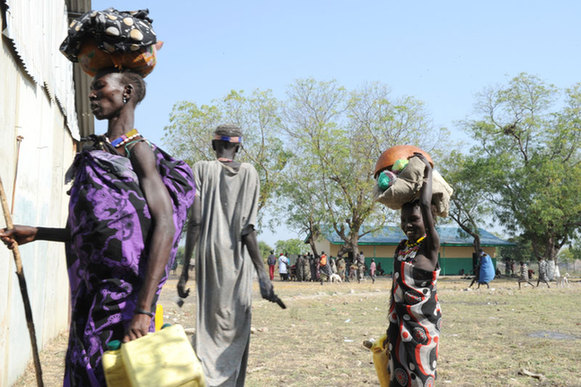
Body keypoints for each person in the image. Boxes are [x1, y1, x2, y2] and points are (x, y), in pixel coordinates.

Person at [1, 68, 195, 386]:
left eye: (100, 87)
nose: (92, 94)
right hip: (93, 302)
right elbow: (103, 235)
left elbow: (165, 225)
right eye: (91, 88)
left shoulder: (137, 151)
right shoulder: (99, 153)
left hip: (126, 306)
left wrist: (143, 311)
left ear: (127, 93)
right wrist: (37, 233)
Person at [177, 124, 279, 386]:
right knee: (235, 327)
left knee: (208, 327)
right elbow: (247, 229)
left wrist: (186, 268)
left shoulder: (200, 168)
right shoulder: (249, 173)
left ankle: (205, 379)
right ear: (238, 147)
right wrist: (261, 274)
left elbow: (196, 220)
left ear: (214, 146)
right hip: (238, 259)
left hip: (208, 257)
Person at [387, 153, 441, 387]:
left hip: (422, 329)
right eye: (404, 219)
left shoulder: (430, 247)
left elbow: (427, 204)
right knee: (396, 377)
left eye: (414, 220)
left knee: (420, 378)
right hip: (398, 327)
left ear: (427, 222)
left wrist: (427, 171)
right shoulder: (402, 248)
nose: (408, 224)